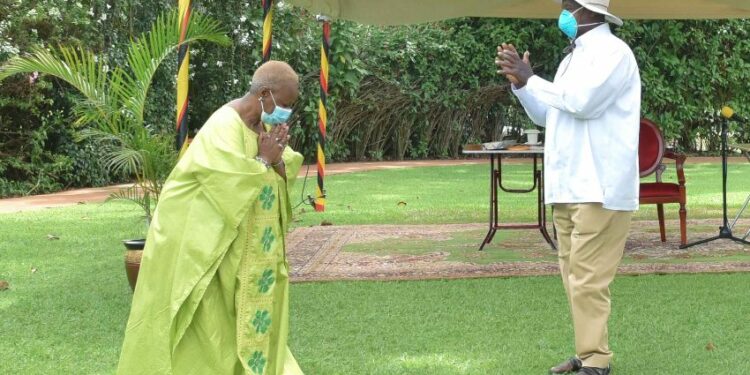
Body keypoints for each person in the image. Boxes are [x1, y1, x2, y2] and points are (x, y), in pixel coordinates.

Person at [117, 60, 305, 375]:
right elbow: (225, 183)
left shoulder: (264, 126)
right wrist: (264, 159)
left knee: (243, 321)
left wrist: (276, 162)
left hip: (247, 250)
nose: (286, 112)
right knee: (207, 325)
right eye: (284, 104)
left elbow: (277, 168)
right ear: (264, 94)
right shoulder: (223, 126)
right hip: (206, 247)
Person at [496, 1, 640, 374]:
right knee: (574, 276)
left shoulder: (614, 53)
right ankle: (588, 350)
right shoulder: (570, 60)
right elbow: (549, 113)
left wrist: (532, 78)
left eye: (568, 7)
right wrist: (523, 88)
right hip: (569, 184)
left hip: (599, 184)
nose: (563, 14)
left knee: (588, 278)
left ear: (587, 11)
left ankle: (596, 360)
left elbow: (582, 103)